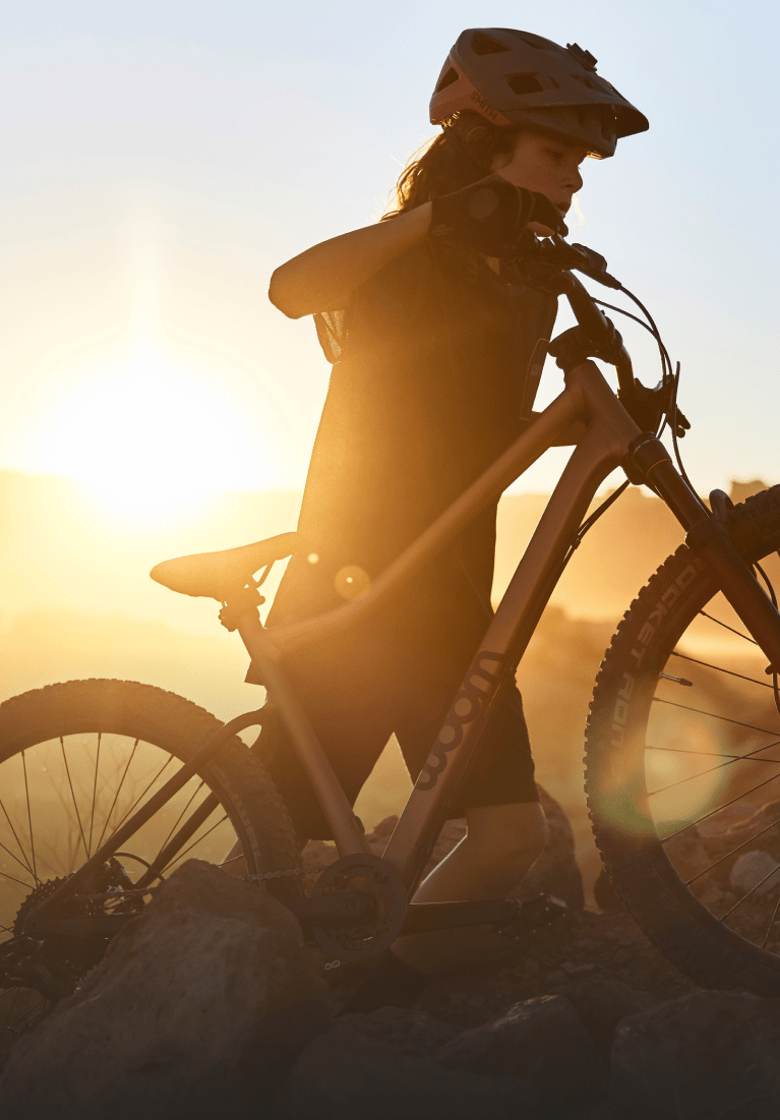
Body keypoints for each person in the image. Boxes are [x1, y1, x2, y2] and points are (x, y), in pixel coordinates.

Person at [253, 28, 648, 1010]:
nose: (576, 181)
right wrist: (433, 221)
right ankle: (137, 978)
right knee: (259, 859)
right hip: (359, 592)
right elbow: (288, 288)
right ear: (485, 144)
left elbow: (469, 435)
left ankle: (354, 1008)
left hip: (443, 603)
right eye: (557, 155)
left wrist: (584, 424)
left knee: (507, 836)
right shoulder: (414, 260)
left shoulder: (512, 278)